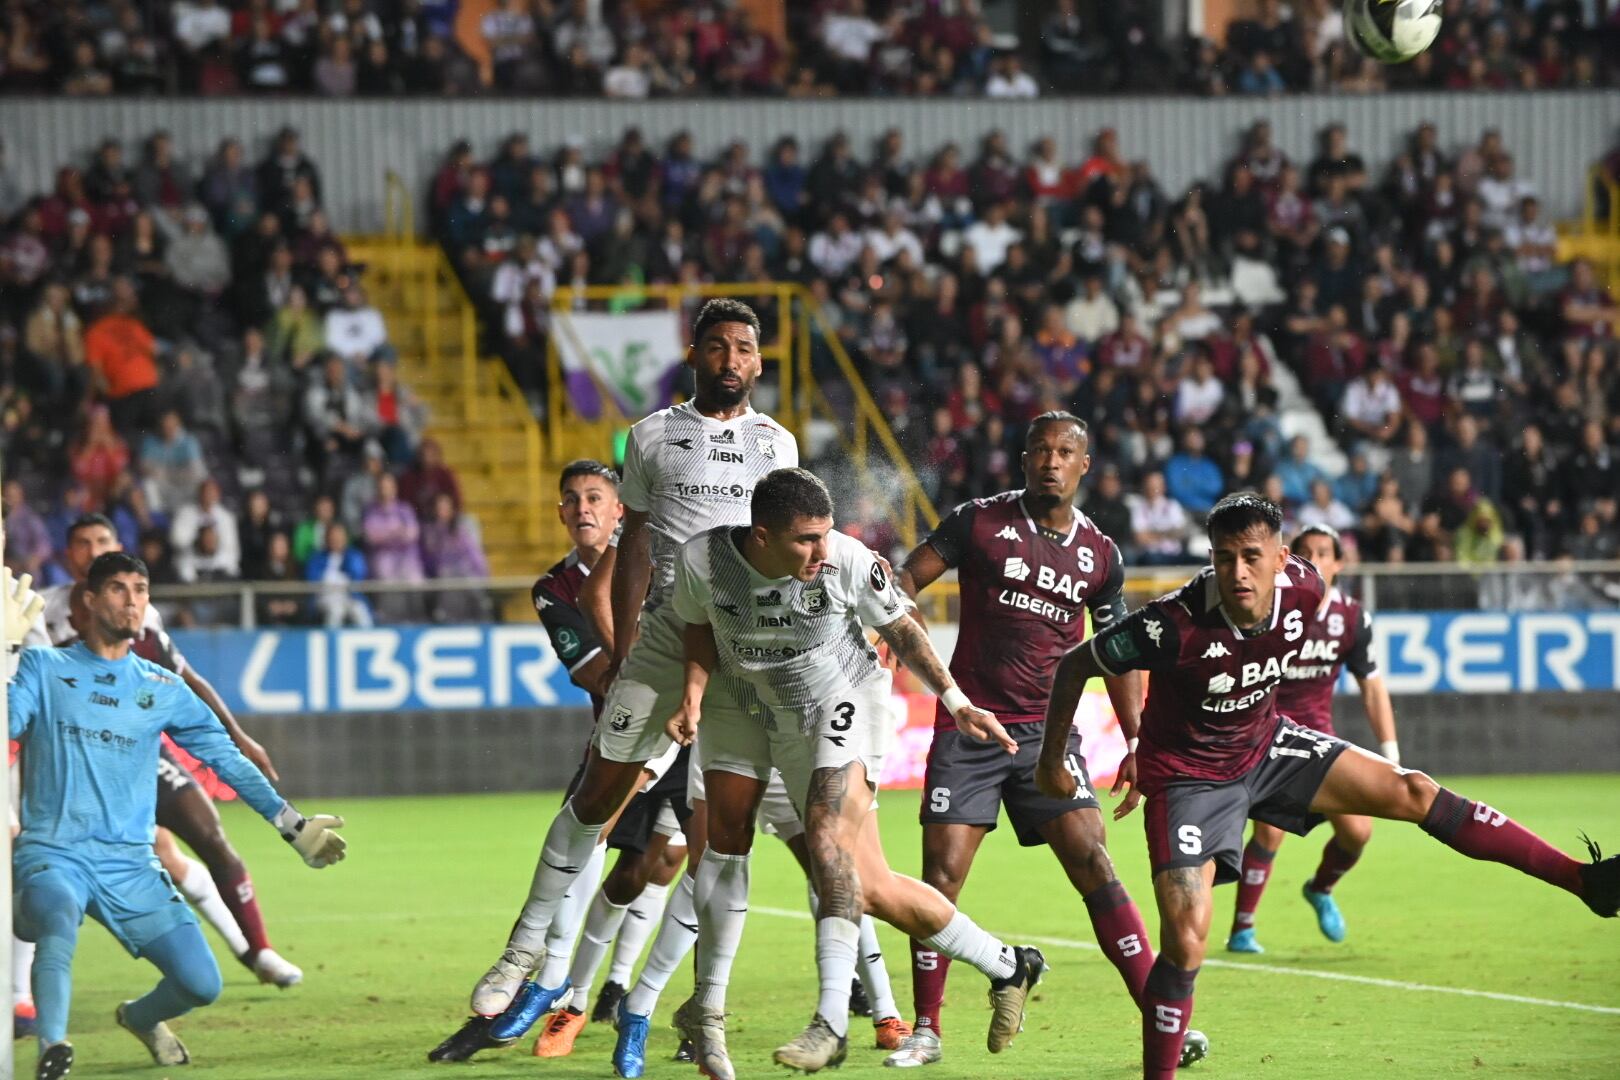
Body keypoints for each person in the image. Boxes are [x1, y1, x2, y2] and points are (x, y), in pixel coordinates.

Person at [1036, 493, 1620, 1079]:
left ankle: (1581, 878)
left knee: (1412, 789)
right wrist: (1061, 756)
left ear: (1282, 559)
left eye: (1251, 557)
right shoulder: (1170, 624)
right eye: (1223, 558)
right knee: (1187, 938)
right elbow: (1074, 667)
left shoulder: (1308, 591)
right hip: (1190, 777)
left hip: (1268, 745)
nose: (1237, 572)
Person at [459, 301, 797, 1080]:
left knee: (721, 842)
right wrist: (630, 643)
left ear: (757, 360)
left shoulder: (777, 443)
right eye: (716, 345)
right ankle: (523, 951)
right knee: (592, 801)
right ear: (695, 354)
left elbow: (779, 549)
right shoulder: (650, 435)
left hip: (742, 658)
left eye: (744, 347)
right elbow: (635, 543)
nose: (730, 358)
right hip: (661, 646)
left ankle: (694, 1009)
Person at [665, 467, 1047, 1076]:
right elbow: (697, 625)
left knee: (825, 837)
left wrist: (956, 701)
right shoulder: (702, 560)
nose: (821, 550)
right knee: (848, 877)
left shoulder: (846, 559)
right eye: (804, 540)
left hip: (840, 698)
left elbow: (902, 626)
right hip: (745, 699)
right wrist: (691, 692)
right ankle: (1009, 963)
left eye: (825, 534)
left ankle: (832, 1022)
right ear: (760, 536)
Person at [891, 413, 1206, 1069]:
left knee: (1093, 858)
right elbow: (903, 580)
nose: (1051, 461)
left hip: (1048, 734)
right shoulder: (977, 522)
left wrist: (1137, 739)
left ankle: (1158, 1013)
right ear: (1024, 457)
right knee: (942, 874)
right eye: (1040, 450)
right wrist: (900, 638)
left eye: (1065, 452)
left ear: (1084, 465)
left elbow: (1119, 653)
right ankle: (926, 1027)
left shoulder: (1101, 555)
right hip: (971, 724)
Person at [4, 553, 346, 1080]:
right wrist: (5, 653)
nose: (132, 599)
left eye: (140, 588)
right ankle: (54, 1047)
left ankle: (140, 1019)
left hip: (130, 866)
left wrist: (292, 825)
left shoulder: (160, 687)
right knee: (56, 908)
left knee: (200, 984)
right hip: (54, 854)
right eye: (117, 588)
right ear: (88, 601)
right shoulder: (44, 668)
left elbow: (227, 759)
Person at [21, 515, 303, 991]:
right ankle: (22, 996)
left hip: (136, 755)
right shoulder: (34, 612)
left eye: (103, 541)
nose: (93, 550)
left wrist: (239, 738)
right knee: (51, 869)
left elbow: (185, 678)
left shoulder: (139, 614)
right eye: (84, 543)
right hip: (66, 766)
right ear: (68, 556)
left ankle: (259, 949)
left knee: (208, 835)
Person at [1227, 524, 1400, 954]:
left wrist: (1392, 754)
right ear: (1289, 559)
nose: (1317, 560)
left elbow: (1372, 687)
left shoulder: (1353, 618)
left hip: (1321, 741)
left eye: (1325, 553)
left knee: (1358, 833)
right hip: (1269, 737)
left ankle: (1320, 888)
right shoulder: (1269, 609)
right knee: (1269, 833)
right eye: (1307, 552)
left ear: (1339, 563)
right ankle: (1242, 930)